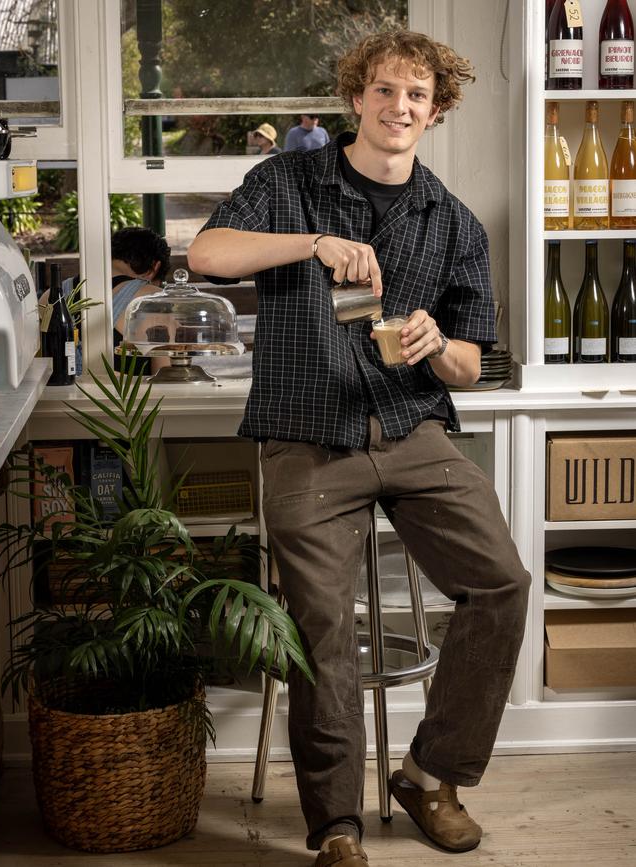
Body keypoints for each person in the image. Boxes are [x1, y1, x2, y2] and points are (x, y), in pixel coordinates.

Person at [188, 29, 530, 867]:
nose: (399, 106)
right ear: (357, 98)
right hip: (309, 435)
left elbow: (475, 366)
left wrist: (434, 342)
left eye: (417, 95)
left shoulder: (453, 222)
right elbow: (206, 253)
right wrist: (312, 244)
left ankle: (429, 775)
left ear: (436, 110)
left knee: (502, 585)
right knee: (324, 627)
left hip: (413, 428)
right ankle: (334, 823)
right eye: (384, 90)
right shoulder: (287, 181)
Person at [110, 227, 171, 372]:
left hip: (57, 394)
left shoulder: (51, 295)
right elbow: (166, 374)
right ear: (155, 268)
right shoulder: (154, 300)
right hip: (126, 394)